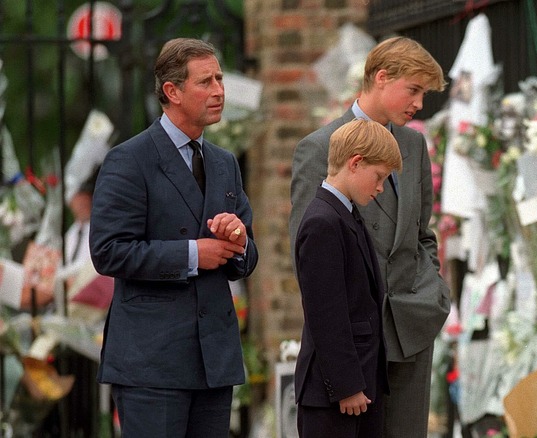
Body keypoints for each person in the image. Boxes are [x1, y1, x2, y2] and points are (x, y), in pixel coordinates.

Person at [89, 38, 258, 437]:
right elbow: (108, 251)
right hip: (152, 363)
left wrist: (239, 242)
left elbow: (245, 259)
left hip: (214, 361)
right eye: (206, 81)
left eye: (220, 78)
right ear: (172, 91)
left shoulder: (224, 163)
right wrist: (193, 255)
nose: (219, 90)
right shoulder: (129, 160)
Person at [290, 36, 451, 437]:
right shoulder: (320, 147)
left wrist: (431, 293)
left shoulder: (413, 143)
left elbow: (421, 234)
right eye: (413, 90)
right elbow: (309, 254)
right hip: (357, 338)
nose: (419, 104)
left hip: (412, 324)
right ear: (381, 78)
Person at [294, 118, 401, 437]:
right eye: (379, 176)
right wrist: (347, 386)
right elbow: (326, 314)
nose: (381, 187)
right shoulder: (322, 222)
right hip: (335, 395)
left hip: (359, 387)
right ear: (355, 163)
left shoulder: (344, 214)